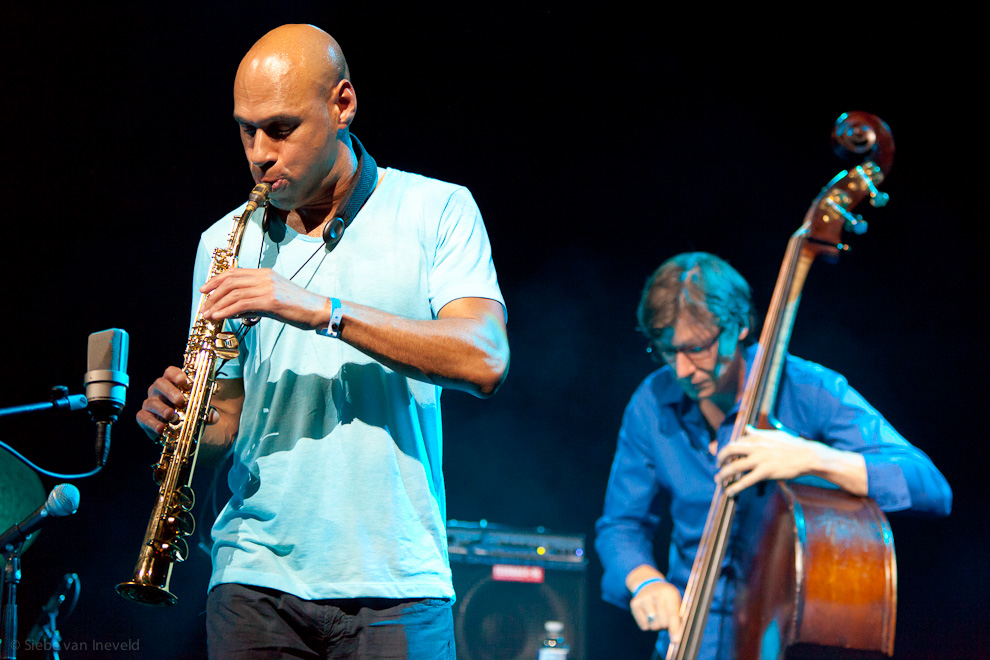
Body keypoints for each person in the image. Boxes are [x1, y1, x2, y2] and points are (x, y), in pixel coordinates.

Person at [136, 24, 509, 660]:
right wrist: (184, 425)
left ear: (342, 104)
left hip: (397, 583)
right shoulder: (221, 242)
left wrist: (320, 310)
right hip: (252, 581)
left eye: (280, 129)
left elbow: (484, 358)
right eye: (246, 130)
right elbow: (227, 422)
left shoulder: (435, 209)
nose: (258, 153)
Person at [595, 252, 951, 660]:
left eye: (696, 348)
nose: (681, 370)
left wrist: (811, 457)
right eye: (666, 351)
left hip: (783, 640)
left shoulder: (808, 389)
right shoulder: (652, 401)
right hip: (689, 638)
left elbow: (929, 486)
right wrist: (644, 582)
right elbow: (621, 524)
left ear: (741, 326)